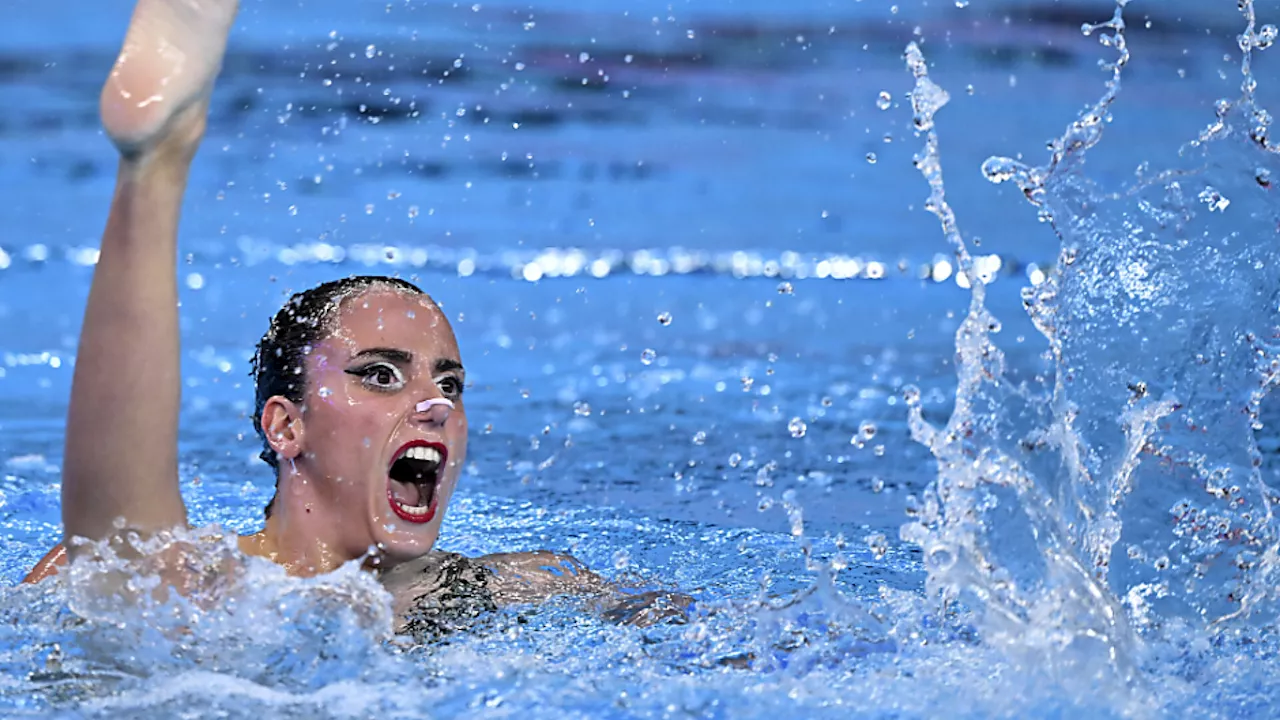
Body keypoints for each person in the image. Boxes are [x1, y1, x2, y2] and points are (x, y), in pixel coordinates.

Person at [22, 0, 688, 632]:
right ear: (285, 425)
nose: (434, 406)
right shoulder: (209, 577)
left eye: (449, 384)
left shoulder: (511, 587)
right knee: (127, 583)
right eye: (380, 375)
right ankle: (156, 166)